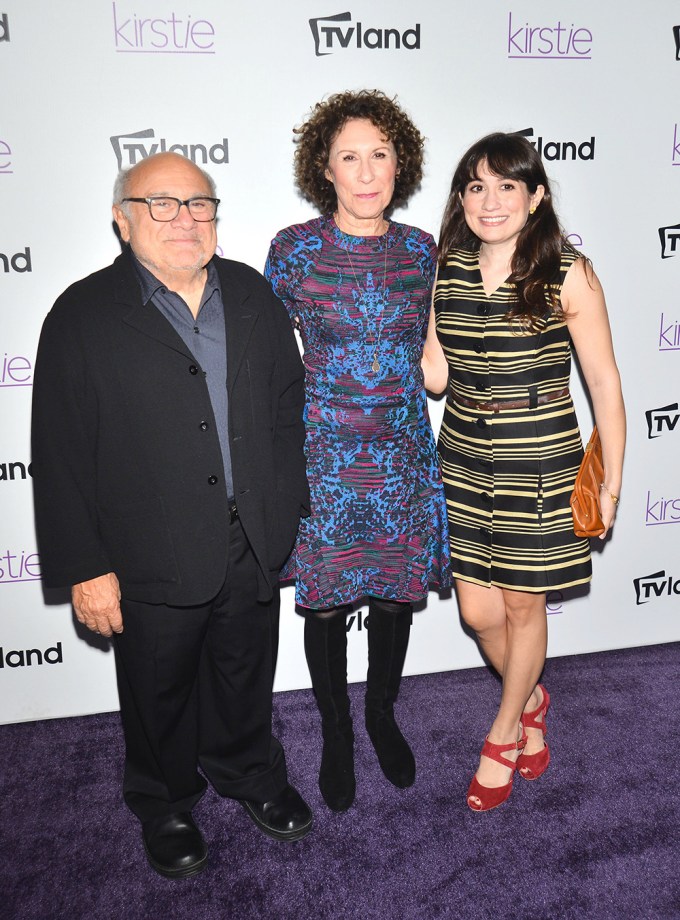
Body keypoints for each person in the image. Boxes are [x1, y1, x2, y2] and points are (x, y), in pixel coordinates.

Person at [31, 152, 313, 879]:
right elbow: (58, 452)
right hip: (146, 547)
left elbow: (287, 411)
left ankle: (250, 771)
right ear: (123, 221)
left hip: (251, 533)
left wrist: (287, 506)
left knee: (246, 669)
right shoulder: (82, 314)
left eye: (199, 204)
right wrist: (86, 568)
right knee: (157, 686)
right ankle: (164, 800)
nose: (183, 219)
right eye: (161, 204)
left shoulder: (252, 293)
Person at [425, 132, 625, 811]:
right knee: (480, 612)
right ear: (462, 198)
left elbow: (604, 384)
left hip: (539, 452)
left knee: (522, 604)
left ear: (536, 196)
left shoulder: (569, 271)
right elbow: (435, 373)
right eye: (476, 186)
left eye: (507, 186)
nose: (491, 200)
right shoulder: (443, 267)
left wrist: (611, 479)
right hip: (462, 455)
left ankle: (505, 731)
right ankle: (533, 694)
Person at [264, 90, 451, 813]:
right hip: (325, 453)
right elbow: (271, 361)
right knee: (327, 605)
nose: (367, 171)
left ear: (399, 163)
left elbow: (434, 353)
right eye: (350, 156)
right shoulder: (293, 250)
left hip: (402, 449)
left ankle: (380, 713)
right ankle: (338, 730)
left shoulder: (420, 250)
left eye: (380, 154)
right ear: (325, 168)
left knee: (397, 595)